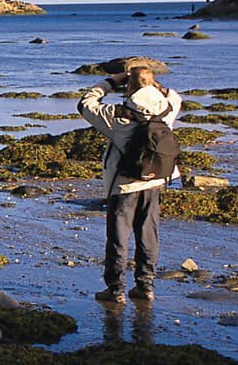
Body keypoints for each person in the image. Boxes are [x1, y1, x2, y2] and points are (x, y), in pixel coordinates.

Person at [78, 67, 182, 303]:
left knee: (118, 237)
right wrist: (156, 86)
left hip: (124, 185)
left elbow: (86, 103)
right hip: (155, 180)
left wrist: (112, 81)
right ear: (153, 84)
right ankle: (145, 286)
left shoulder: (116, 116)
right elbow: (175, 95)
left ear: (129, 87)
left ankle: (115, 289)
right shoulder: (167, 109)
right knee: (148, 234)